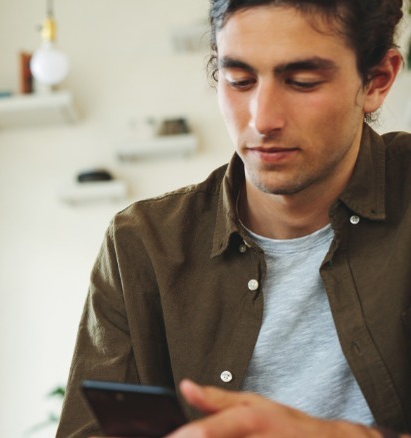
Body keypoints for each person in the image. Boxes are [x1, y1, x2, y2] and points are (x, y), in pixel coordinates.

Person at [57, 0, 409, 436]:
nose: (262, 119)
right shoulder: (142, 244)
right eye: (239, 80)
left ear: (377, 79)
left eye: (302, 82)